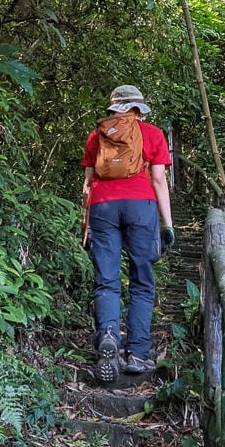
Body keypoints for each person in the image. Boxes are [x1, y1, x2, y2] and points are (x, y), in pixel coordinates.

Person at [81, 84, 175, 382]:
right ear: (138, 109)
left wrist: (86, 224)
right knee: (142, 281)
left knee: (106, 280)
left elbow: (87, 184)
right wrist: (167, 224)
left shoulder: (97, 136)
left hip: (103, 207)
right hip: (141, 207)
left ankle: (109, 336)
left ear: (113, 108)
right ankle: (137, 353)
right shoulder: (153, 134)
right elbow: (159, 180)